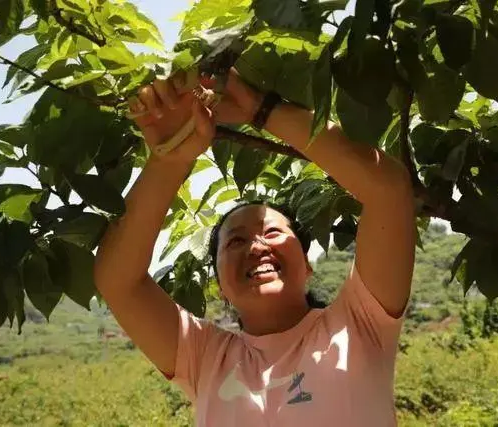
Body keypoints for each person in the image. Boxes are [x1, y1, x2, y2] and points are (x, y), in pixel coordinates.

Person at [93, 69, 415, 427]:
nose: (257, 246)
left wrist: (261, 109)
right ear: (220, 285)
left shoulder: (358, 326)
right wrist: (169, 159)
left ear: (307, 264)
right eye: (235, 241)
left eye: (272, 232)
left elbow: (389, 190)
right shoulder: (205, 358)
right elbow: (118, 282)